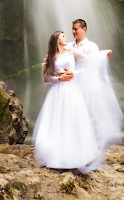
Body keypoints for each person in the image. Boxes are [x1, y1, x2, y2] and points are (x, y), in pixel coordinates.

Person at [33, 31, 101, 172]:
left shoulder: (72, 52)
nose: (66, 38)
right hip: (57, 92)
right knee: (57, 121)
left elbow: (87, 64)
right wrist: (59, 78)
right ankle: (55, 157)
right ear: (57, 39)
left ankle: (76, 157)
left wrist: (72, 74)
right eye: (63, 36)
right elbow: (45, 78)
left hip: (71, 90)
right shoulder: (50, 57)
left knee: (73, 120)